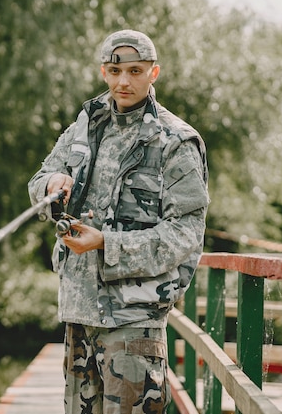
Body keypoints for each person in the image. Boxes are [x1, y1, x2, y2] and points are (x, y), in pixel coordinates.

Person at [28, 29, 209, 414]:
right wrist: (52, 185)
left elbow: (187, 233)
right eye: (115, 70)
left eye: (135, 71)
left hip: (134, 318)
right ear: (103, 72)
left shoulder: (175, 140)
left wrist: (107, 244)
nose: (124, 81)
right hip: (79, 311)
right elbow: (39, 183)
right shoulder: (85, 125)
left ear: (153, 73)